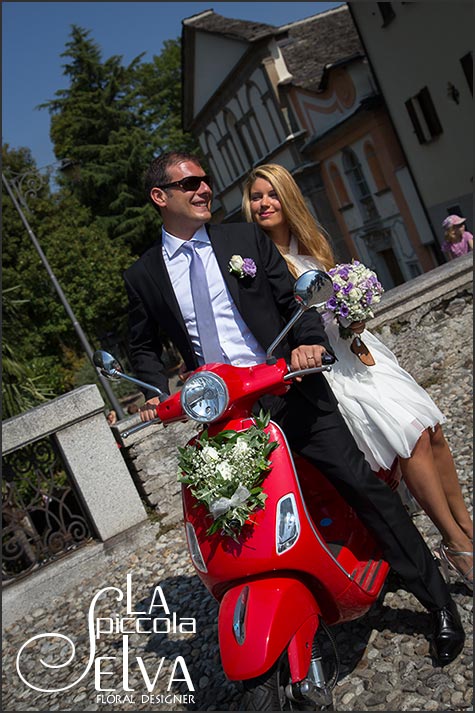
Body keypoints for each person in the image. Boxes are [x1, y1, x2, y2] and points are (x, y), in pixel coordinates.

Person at [123, 150, 465, 666]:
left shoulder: (243, 240)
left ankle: (437, 602)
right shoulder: (144, 274)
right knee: (237, 515)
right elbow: (143, 346)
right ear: (160, 197)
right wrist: (153, 390)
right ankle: (282, 604)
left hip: (291, 388)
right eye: (189, 183)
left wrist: (307, 345)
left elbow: (293, 305)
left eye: (206, 181)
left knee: (363, 488)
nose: (204, 190)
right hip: (225, 417)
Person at [242, 163, 473, 593]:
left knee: (433, 429)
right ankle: (455, 544)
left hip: (360, 353)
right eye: (256, 197)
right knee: (410, 438)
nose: (263, 203)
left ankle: (468, 530)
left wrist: (354, 310)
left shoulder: (311, 245)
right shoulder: (255, 264)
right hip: (328, 371)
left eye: (272, 194)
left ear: (288, 198)